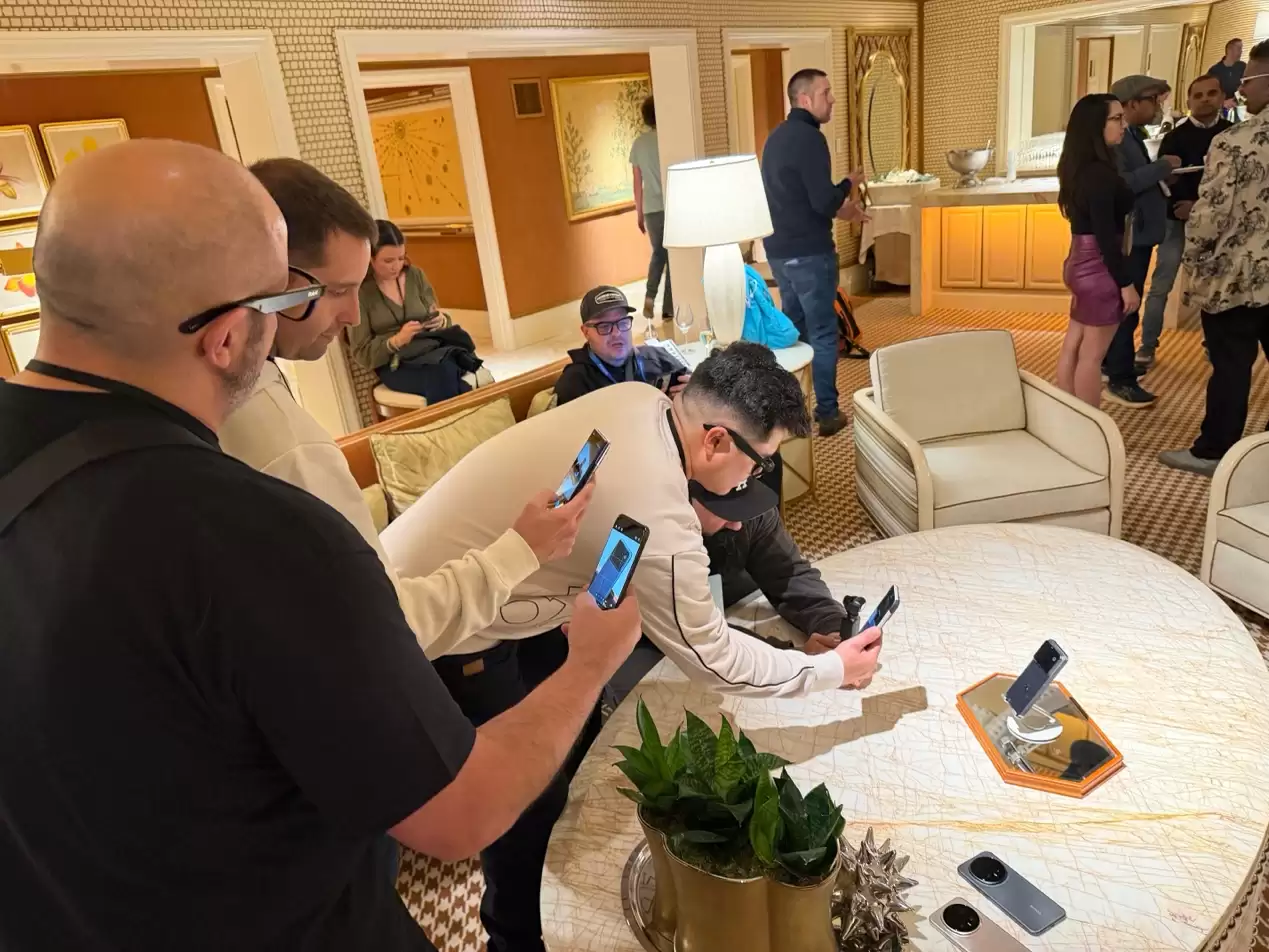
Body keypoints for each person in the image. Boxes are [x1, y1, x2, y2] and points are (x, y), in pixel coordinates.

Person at [0, 139, 643, 951]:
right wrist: (588, 663)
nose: (328, 314)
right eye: (293, 298)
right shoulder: (263, 532)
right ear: (227, 335)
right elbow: (459, 811)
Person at [383, 342, 884, 952]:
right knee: (525, 798)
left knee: (571, 751)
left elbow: (599, 536)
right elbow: (715, 659)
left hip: (460, 588)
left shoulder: (639, 400)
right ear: (717, 441)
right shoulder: (660, 514)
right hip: (430, 633)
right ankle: (514, 940)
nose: (752, 483)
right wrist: (831, 668)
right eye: (759, 464)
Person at [220, 157, 581, 659]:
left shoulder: (232, 394)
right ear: (270, 279)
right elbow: (388, 626)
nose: (351, 314)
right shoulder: (290, 451)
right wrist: (522, 550)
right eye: (337, 291)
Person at [609, 467, 849, 699]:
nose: (737, 522)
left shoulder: (748, 509)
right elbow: (701, 640)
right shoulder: (652, 545)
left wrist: (833, 627)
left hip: (726, 616)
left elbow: (790, 573)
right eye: (725, 509)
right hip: (650, 646)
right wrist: (796, 659)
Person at [1160, 41, 1269, 476]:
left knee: (1230, 365)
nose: (1241, 90)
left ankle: (1214, 451)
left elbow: (1211, 215)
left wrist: (1195, 267)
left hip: (1239, 276)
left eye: (1248, 80)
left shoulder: (1236, 141)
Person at [760, 67, 866, 437]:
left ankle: (792, 413)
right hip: (810, 252)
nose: (832, 99)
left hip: (779, 252)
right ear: (804, 99)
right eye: (826, 93)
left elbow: (796, 199)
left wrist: (842, 202)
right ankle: (828, 412)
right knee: (822, 334)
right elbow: (822, 202)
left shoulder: (774, 139)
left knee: (794, 332)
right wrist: (848, 184)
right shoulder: (810, 139)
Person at [1137, 75, 1232, 370]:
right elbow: (1164, 182)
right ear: (1189, 100)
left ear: (1222, 97)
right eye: (1198, 95)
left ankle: (1213, 344)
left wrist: (1198, 207)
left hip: (1216, 225)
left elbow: (1233, 185)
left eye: (1211, 93)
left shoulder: (1232, 136)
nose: (1205, 100)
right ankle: (1147, 345)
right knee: (1161, 284)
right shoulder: (1174, 137)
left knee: (1214, 286)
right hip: (1174, 220)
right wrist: (1178, 199)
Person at [1102, 74, 1182, 407]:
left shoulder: (1133, 135)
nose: (1158, 107)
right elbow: (1123, 182)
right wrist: (1162, 167)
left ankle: (1113, 363)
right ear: (1132, 103)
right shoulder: (1118, 139)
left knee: (1125, 305)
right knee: (1127, 306)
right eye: (1153, 100)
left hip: (1142, 232)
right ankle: (1120, 378)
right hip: (1131, 236)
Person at [1056, 94, 1137, 407]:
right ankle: (1089, 423)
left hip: (1078, 261)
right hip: (1099, 266)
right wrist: (1125, 283)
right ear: (1095, 126)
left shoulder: (1078, 168)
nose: (1123, 124)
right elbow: (1106, 237)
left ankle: (1069, 415)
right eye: (1116, 118)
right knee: (1092, 356)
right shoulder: (1100, 175)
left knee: (1074, 344)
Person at [351, 219, 482, 404]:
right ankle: (459, 419)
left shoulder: (415, 276)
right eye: (388, 260)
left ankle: (457, 419)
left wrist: (441, 321)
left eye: (401, 258)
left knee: (458, 362)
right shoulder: (360, 293)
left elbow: (437, 315)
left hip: (431, 350)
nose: (396, 266)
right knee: (444, 373)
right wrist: (396, 341)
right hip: (395, 364)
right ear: (370, 259)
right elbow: (361, 353)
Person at [553, 285, 688, 406]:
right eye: (604, 326)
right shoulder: (574, 385)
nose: (617, 333)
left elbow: (694, 391)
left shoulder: (658, 358)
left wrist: (693, 396)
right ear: (586, 332)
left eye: (623, 322)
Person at [630, 96, 672, 325]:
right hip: (671, 205)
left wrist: (639, 213)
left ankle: (649, 297)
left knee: (658, 253)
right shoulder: (668, 140)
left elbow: (638, 182)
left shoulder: (639, 144)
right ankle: (668, 308)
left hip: (650, 208)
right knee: (673, 255)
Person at [1209, 38, 1246, 117]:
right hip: (1223, 111)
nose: (1241, 52)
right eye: (1239, 49)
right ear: (1230, 50)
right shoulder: (1214, 71)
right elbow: (1209, 93)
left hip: (1241, 108)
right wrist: (1223, 103)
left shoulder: (1243, 66)